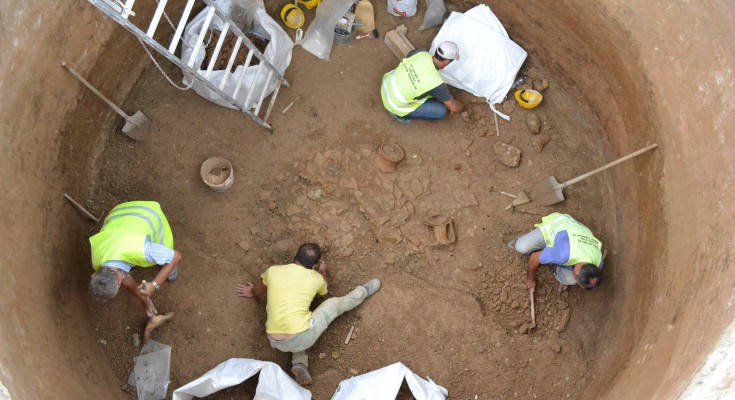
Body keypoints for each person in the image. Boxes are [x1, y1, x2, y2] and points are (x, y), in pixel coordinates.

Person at [236, 243, 381, 385]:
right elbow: (324, 290)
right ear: (314, 266)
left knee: (299, 322)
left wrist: (251, 291)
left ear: (295, 256)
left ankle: (299, 364)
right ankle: (364, 291)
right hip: (301, 336)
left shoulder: (273, 270)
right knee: (332, 305)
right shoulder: (315, 278)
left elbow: (258, 289)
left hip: (274, 339)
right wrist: (323, 271)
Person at [88, 201, 181, 318]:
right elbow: (124, 277)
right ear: (94, 275)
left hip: (149, 213)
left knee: (168, 258)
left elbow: (176, 256)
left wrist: (154, 285)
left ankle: (168, 267)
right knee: (131, 259)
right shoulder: (97, 256)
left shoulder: (140, 249)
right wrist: (146, 301)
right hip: (119, 212)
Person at [509, 212, 604, 292]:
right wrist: (530, 279)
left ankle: (556, 266)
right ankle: (533, 244)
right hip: (556, 225)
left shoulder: (598, 262)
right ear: (577, 272)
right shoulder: (563, 254)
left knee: (570, 280)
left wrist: (564, 280)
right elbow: (534, 257)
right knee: (521, 247)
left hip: (578, 230)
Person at [381, 41, 467, 123]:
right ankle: (398, 115)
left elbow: (409, 55)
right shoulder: (436, 83)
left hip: (385, 85)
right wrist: (464, 109)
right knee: (441, 111)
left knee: (424, 90)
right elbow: (453, 107)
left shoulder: (421, 53)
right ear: (448, 61)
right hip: (394, 105)